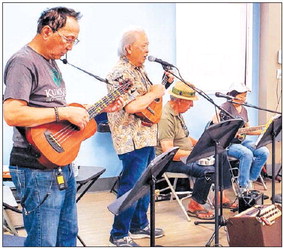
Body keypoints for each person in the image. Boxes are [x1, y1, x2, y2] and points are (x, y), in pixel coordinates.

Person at [3, 7, 121, 247]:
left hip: (60, 164)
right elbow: (12, 113)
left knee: (67, 235)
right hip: (35, 167)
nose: (70, 46)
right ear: (47, 31)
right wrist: (64, 111)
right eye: (68, 39)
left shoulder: (51, 62)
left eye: (75, 41)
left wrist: (99, 109)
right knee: (43, 241)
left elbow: (52, 111)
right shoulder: (23, 62)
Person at [106, 27, 174, 247]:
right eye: (144, 45)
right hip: (131, 139)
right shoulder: (120, 72)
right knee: (131, 185)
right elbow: (133, 106)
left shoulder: (138, 69)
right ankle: (118, 234)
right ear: (129, 48)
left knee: (146, 184)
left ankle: (138, 224)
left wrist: (164, 84)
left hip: (146, 136)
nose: (148, 50)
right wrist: (155, 92)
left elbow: (149, 102)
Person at [156, 81, 235, 220]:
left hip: (185, 154)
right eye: (190, 102)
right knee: (208, 170)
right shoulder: (165, 117)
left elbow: (184, 137)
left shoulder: (177, 112)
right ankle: (195, 205)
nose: (192, 105)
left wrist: (203, 144)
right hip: (170, 161)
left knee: (220, 152)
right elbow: (168, 151)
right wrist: (197, 154)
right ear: (179, 100)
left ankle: (220, 196)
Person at [212, 82, 270, 193]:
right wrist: (231, 133)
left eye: (245, 96)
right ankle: (242, 186)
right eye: (241, 96)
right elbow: (215, 126)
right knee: (246, 154)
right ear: (232, 96)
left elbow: (247, 129)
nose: (243, 99)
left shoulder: (244, 110)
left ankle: (249, 180)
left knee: (264, 152)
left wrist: (263, 131)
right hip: (227, 144)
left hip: (241, 142)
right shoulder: (224, 108)